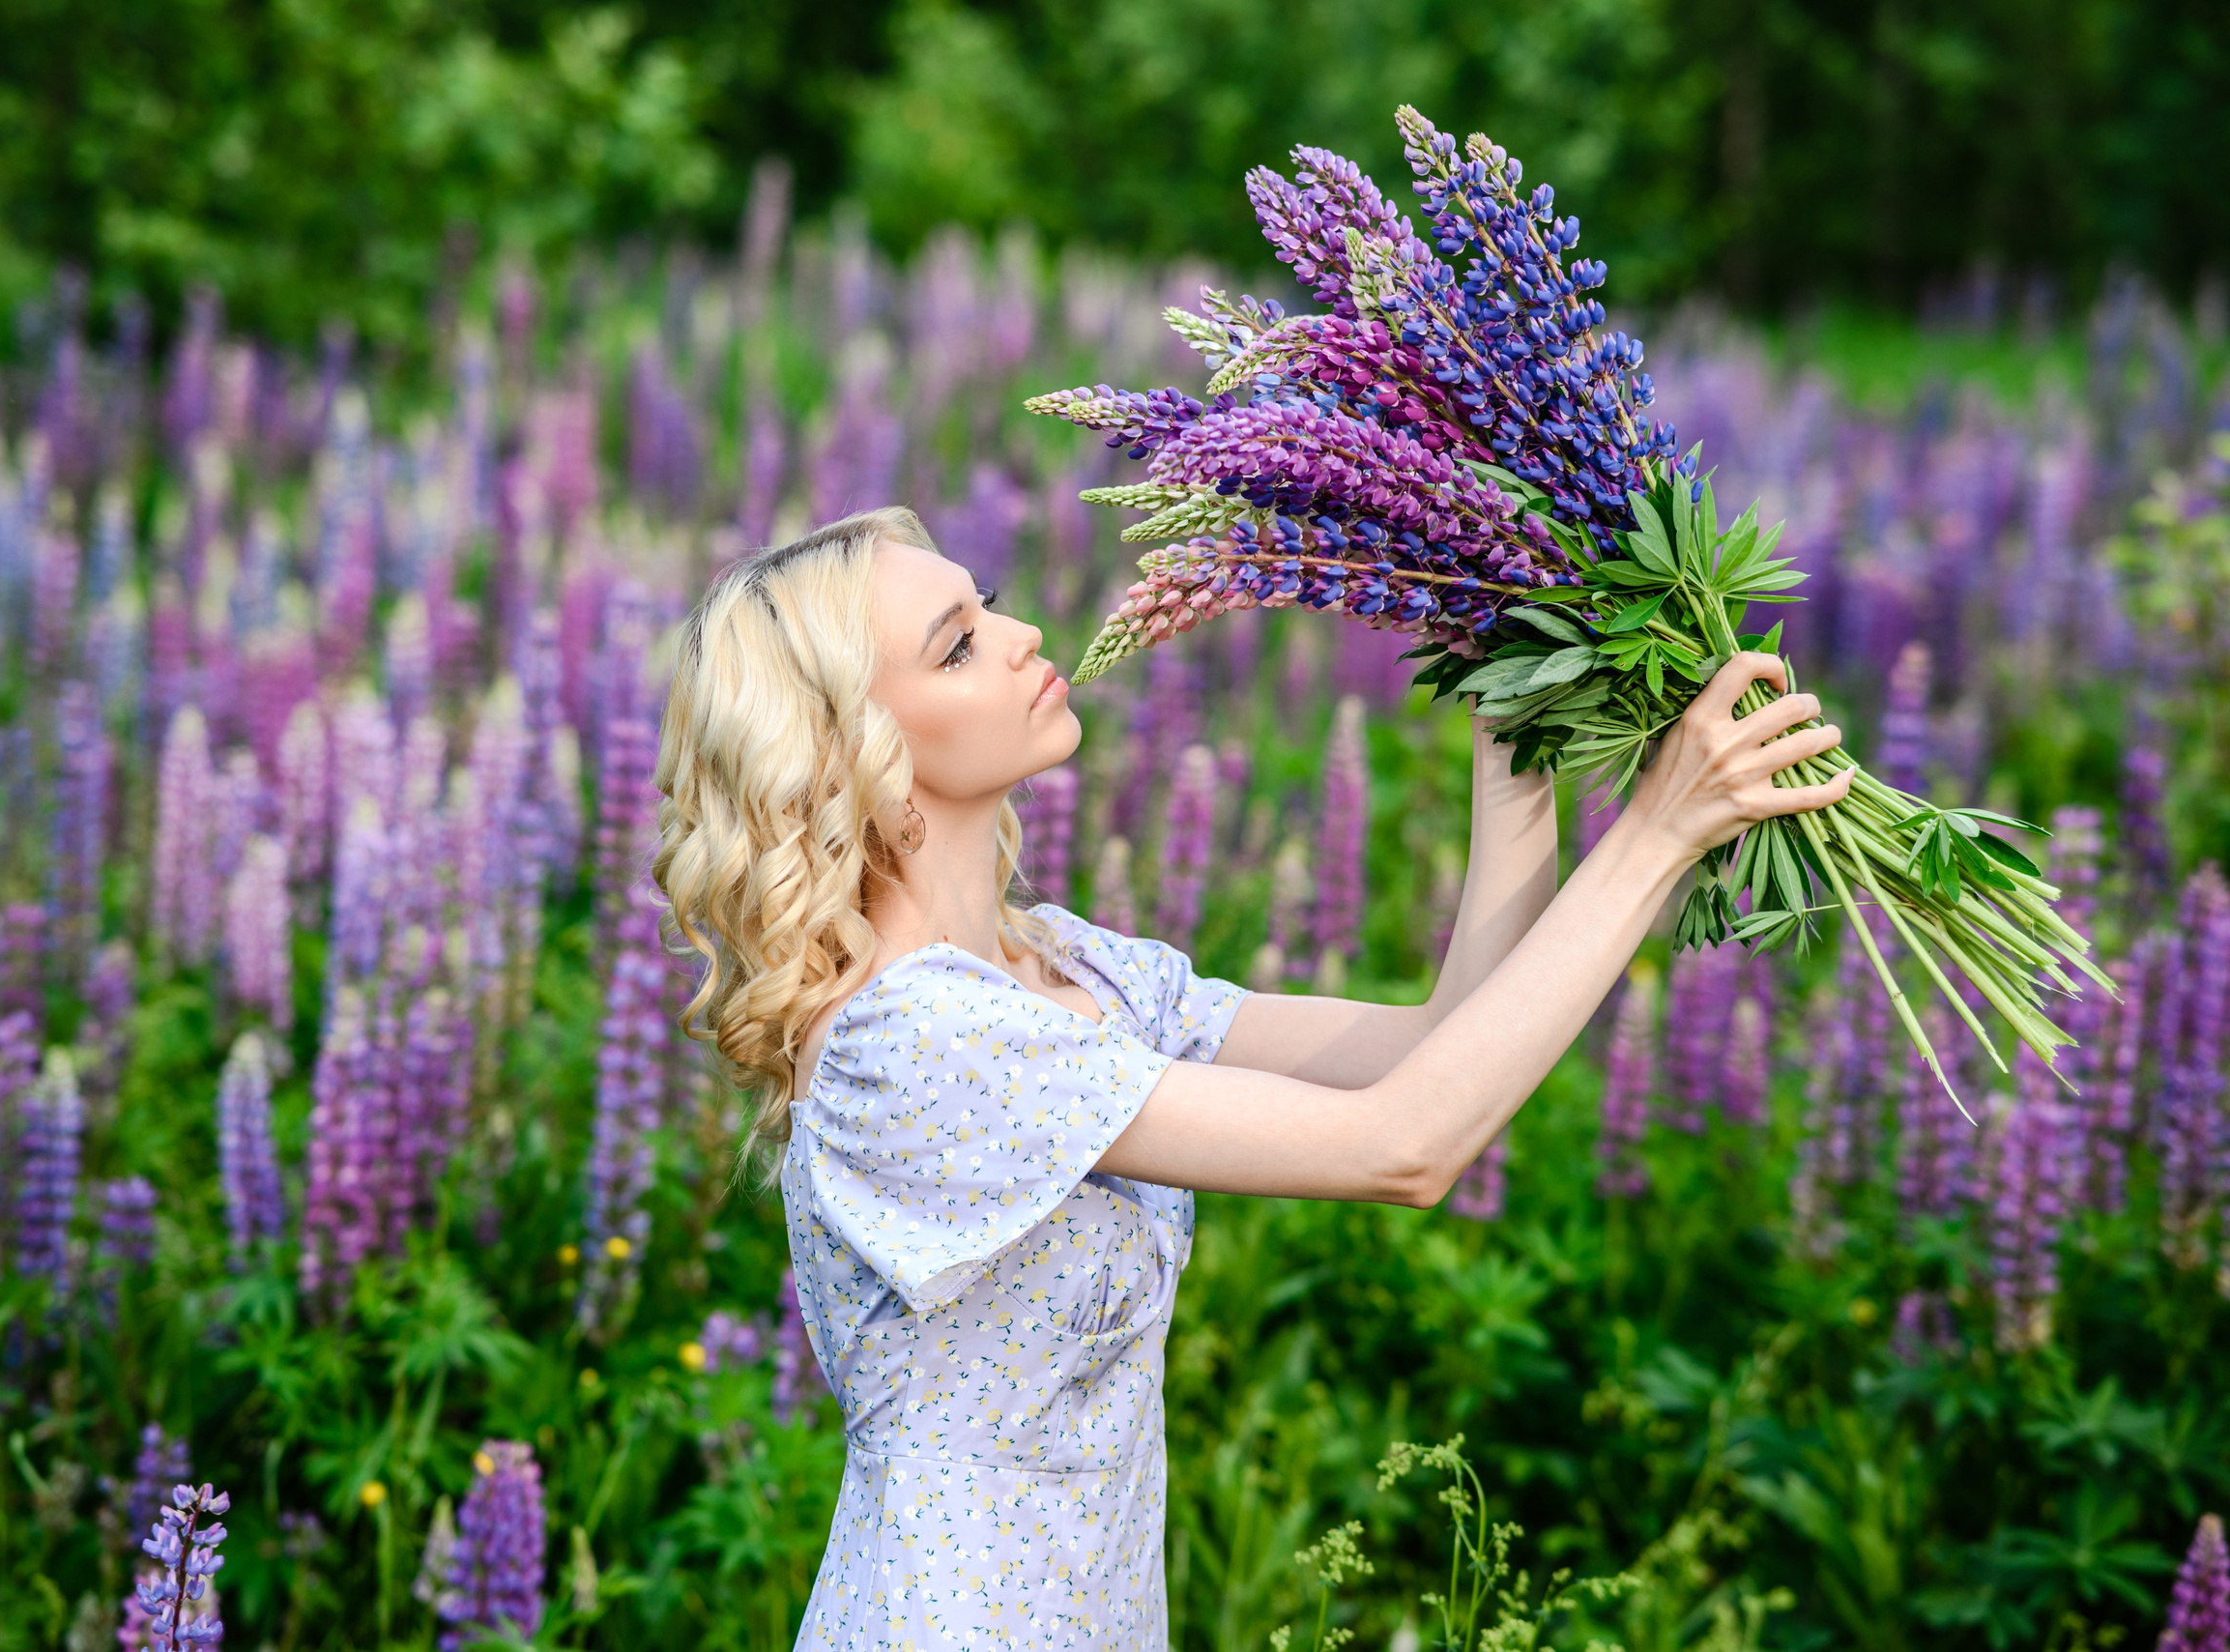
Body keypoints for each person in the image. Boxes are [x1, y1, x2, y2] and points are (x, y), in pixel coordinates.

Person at [652, 507, 1852, 1650]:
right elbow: (1404, 1146)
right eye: (959, 646)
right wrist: (1657, 831)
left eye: (993, 605)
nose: (1021, 637)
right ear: (860, 756)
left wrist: (1516, 723)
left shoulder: (1064, 966)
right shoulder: (912, 1038)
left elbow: (1439, 1040)